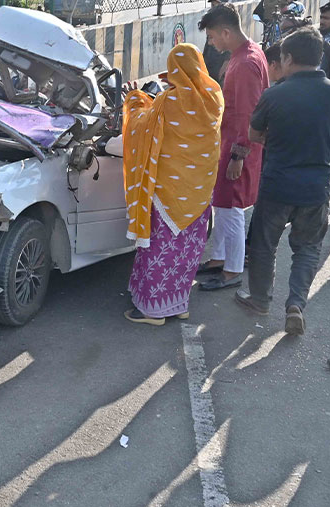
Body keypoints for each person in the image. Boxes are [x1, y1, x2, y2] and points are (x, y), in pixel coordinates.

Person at [234, 28, 330, 335]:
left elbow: (255, 134)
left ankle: (259, 299)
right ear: (320, 57)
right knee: (308, 248)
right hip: (316, 187)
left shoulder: (275, 94)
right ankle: (296, 303)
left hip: (277, 184)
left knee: (263, 244)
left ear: (287, 58)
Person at [122, 44, 224, 326]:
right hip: (199, 191)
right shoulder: (215, 97)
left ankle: (152, 310)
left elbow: (143, 127)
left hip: (168, 193)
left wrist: (134, 101)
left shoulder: (170, 101)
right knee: (187, 250)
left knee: (160, 249)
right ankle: (178, 304)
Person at [195, 3, 269, 291]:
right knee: (223, 204)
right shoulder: (246, 55)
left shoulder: (246, 63)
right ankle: (219, 259)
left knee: (231, 207)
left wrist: (238, 154)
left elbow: (248, 114)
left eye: (213, 37)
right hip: (233, 142)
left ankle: (232, 270)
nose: (212, 43)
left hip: (239, 145)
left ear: (226, 32)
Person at [204, 0, 231, 84]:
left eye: (216, 5)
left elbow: (229, 48)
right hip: (209, 65)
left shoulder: (228, 22)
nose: (213, 8)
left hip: (219, 67)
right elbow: (207, 45)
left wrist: (225, 66)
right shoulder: (211, 21)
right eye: (212, 5)